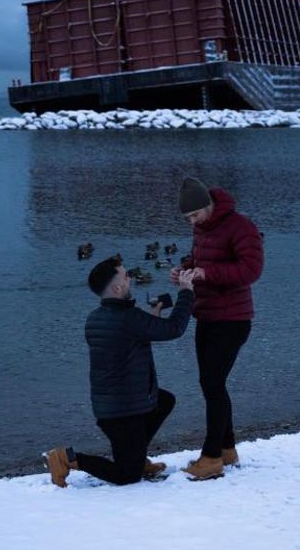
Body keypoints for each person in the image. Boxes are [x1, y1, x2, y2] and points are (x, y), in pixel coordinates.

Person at [45, 257, 197, 488]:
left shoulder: (95, 318)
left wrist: (151, 321)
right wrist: (186, 292)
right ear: (117, 288)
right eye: (126, 277)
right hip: (124, 412)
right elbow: (175, 328)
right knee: (127, 476)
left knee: (164, 400)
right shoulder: (129, 318)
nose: (131, 280)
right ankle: (66, 458)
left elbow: (127, 342)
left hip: (111, 405)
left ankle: (137, 457)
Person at [171, 177, 264, 481]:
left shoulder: (241, 226)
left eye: (194, 216)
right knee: (211, 384)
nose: (192, 223)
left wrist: (207, 273)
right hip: (207, 315)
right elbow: (200, 259)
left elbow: (252, 270)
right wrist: (186, 270)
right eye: (187, 219)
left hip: (233, 319)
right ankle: (226, 449)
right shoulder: (202, 228)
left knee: (213, 384)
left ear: (208, 205)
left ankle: (211, 458)